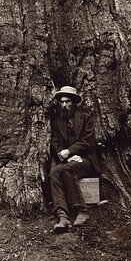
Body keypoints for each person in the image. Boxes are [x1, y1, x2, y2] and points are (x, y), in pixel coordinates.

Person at [49, 86, 100, 233]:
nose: (64, 105)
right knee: (54, 173)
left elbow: (88, 141)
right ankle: (62, 216)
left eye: (67, 101)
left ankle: (81, 211)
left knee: (66, 169)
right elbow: (55, 143)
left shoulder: (85, 118)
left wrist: (72, 151)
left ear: (74, 102)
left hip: (85, 160)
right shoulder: (58, 121)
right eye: (62, 102)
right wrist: (67, 155)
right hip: (68, 160)